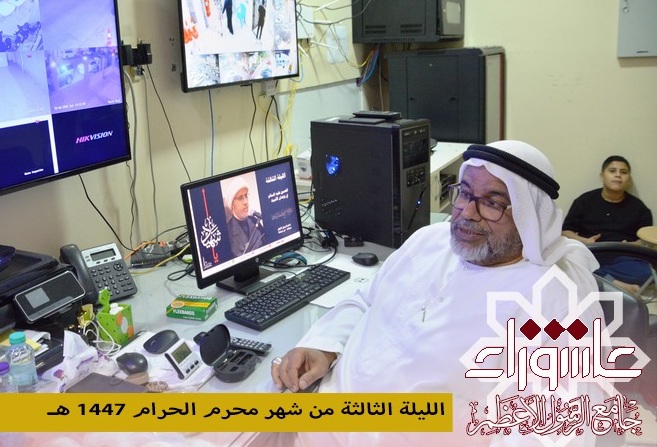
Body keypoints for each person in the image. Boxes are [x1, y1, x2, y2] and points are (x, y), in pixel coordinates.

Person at [269, 140, 605, 446]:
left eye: (492, 203)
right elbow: (366, 301)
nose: (467, 213)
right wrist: (324, 347)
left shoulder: (555, 303)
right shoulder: (429, 240)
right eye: (465, 194)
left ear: (529, 217)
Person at [562, 155, 653, 294]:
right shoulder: (585, 201)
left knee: (646, 272)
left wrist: (631, 245)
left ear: (628, 179)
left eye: (623, 172)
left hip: (623, 257)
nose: (618, 175)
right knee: (568, 263)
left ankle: (603, 280)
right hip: (591, 252)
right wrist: (585, 241)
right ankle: (617, 284)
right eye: (612, 171)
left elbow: (646, 241)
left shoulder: (639, 207)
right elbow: (566, 231)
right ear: (602, 176)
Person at [223, 176, 265, 257]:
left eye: (246, 196)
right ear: (232, 204)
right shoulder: (228, 231)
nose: (246, 202)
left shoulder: (255, 221)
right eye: (240, 198)